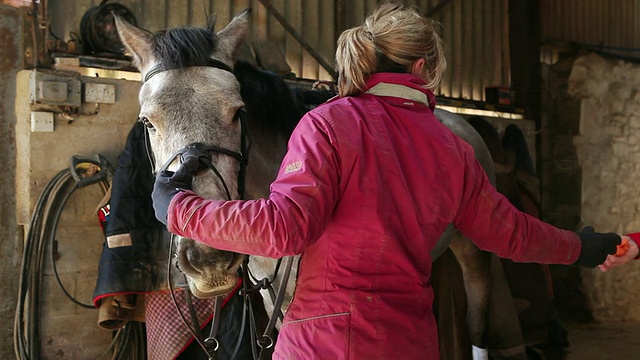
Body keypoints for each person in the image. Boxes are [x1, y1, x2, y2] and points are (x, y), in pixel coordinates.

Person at [151, 3, 621, 359]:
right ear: (423, 68)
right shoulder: (452, 148)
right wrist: (584, 246)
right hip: (412, 341)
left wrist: (179, 208)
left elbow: (285, 228)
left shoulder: (327, 124)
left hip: (324, 343)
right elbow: (513, 234)